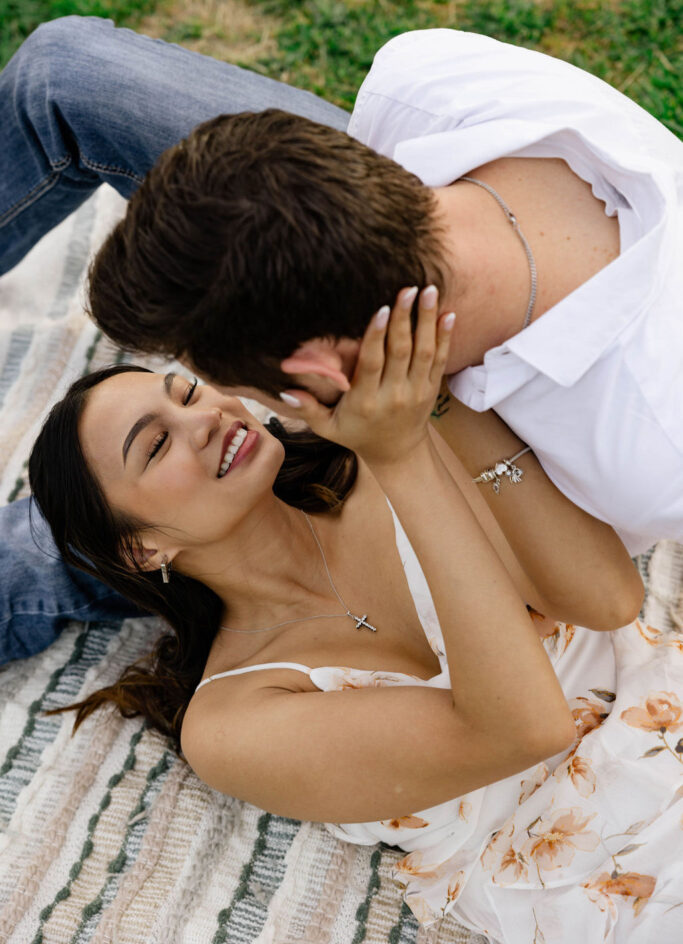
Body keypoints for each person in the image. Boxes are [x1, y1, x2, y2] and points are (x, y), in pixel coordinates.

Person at [1, 17, 681, 661]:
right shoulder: (420, 82)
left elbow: (597, 596)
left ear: (324, 376)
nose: (214, 408)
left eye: (197, 380)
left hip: (462, 428)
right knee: (70, 72)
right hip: (390, 235)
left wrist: (417, 426)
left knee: (122, 506)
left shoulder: (653, 451)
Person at [27, 289, 681, 943]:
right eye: (155, 444)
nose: (204, 418)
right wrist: (405, 457)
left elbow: (607, 599)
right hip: (627, 882)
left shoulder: (380, 448)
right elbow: (526, 728)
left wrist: (438, 401)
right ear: (142, 549)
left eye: (187, 393)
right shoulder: (230, 723)